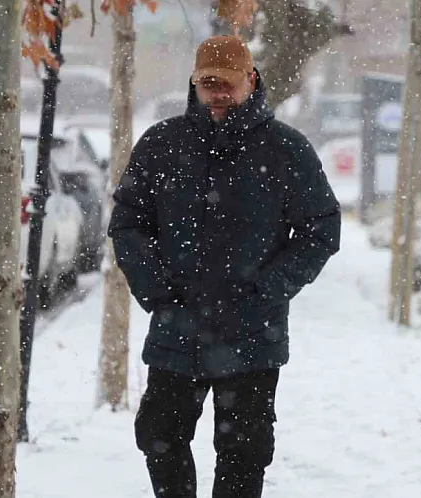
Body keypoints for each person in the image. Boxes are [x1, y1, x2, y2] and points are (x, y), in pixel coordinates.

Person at [107, 35, 341, 498]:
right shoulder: (161, 144)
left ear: (250, 81)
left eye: (228, 83)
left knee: (245, 453)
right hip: (178, 326)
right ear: (194, 83)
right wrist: (156, 291)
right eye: (207, 83)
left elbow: (321, 229)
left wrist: (267, 290)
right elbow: (129, 222)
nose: (218, 93)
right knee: (160, 438)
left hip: (253, 333)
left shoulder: (285, 149)